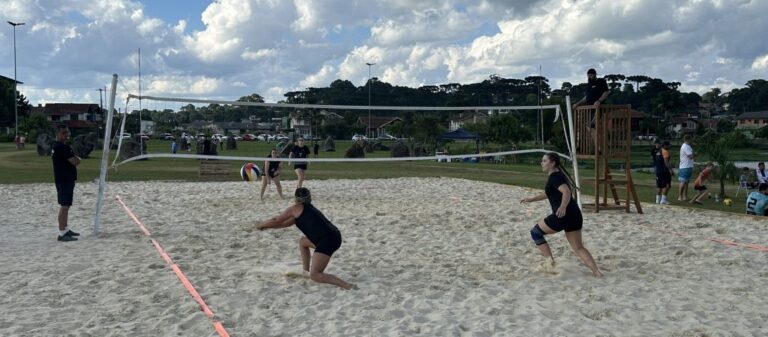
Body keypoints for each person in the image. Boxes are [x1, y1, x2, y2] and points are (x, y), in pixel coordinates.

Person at [520, 152, 603, 277]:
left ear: (552, 163)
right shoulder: (558, 175)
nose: (541, 163)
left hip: (562, 215)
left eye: (544, 161)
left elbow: (566, 192)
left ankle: (550, 263)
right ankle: (597, 272)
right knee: (578, 247)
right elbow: (550, 193)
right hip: (575, 215)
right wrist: (532, 199)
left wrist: (563, 206)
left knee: (535, 233)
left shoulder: (555, 177)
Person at [255, 188, 356, 289]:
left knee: (315, 275)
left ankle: (348, 286)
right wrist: (265, 226)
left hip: (327, 241)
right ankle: (305, 272)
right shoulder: (306, 210)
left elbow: (276, 220)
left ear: (296, 199)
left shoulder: (295, 208)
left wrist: (261, 225)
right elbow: (283, 224)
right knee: (303, 242)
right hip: (335, 236)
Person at [51, 125, 81, 242]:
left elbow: (73, 158)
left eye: (67, 132)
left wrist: (75, 158)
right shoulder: (61, 147)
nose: (66, 135)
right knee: (64, 206)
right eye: (63, 133)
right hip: (64, 180)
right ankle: (62, 233)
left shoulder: (61, 146)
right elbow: (75, 161)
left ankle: (65, 229)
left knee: (67, 205)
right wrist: (78, 159)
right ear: (57, 134)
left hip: (65, 179)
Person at [571, 68, 609, 150]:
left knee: (592, 126)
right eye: (588, 75)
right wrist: (578, 103)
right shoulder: (589, 84)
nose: (589, 77)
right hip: (590, 109)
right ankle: (597, 147)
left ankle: (599, 147)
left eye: (591, 75)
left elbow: (606, 92)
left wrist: (599, 101)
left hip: (599, 108)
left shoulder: (601, 81)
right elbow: (587, 97)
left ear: (595, 74)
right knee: (590, 127)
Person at [653, 140, 673, 204]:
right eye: (668, 145)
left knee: (659, 186)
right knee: (666, 185)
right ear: (665, 145)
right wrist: (670, 169)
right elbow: (666, 162)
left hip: (658, 170)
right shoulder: (665, 151)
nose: (669, 146)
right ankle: (663, 200)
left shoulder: (658, 152)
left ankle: (657, 200)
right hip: (665, 171)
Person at [677, 134, 695, 201]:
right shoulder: (685, 146)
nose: (692, 140)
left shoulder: (688, 146)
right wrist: (695, 154)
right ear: (688, 139)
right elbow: (690, 156)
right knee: (683, 182)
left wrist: (694, 154)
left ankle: (685, 196)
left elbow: (691, 154)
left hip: (688, 166)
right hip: (685, 166)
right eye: (691, 139)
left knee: (687, 182)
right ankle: (680, 196)